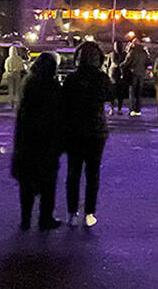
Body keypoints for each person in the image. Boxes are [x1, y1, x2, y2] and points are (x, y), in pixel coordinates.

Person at [62, 41, 114, 227]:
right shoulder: (102, 78)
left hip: (75, 130)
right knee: (93, 173)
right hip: (96, 130)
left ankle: (72, 212)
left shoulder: (72, 79)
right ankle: (89, 213)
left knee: (73, 172)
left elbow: (63, 103)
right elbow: (111, 95)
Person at [11, 52, 64, 230]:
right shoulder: (52, 86)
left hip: (27, 140)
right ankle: (45, 218)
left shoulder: (28, 83)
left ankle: (25, 219)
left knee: (27, 183)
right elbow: (58, 114)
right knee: (48, 183)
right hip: (47, 141)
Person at [123, 40, 150, 116]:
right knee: (139, 93)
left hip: (133, 74)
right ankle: (138, 110)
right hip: (141, 74)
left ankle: (132, 110)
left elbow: (126, 63)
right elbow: (148, 63)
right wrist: (148, 70)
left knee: (132, 92)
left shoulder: (132, 52)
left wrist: (122, 66)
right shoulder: (144, 53)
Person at [109, 43, 128, 114]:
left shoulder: (112, 54)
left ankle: (114, 108)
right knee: (118, 94)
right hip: (118, 76)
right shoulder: (123, 54)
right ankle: (117, 109)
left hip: (115, 76)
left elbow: (108, 64)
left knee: (116, 93)